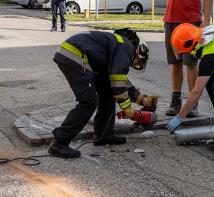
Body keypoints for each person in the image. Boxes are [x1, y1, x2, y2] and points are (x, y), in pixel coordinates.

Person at [48, 29, 158, 158]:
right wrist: (128, 109)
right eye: (137, 62)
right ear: (138, 52)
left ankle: (104, 135)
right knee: (88, 102)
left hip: (75, 55)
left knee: (107, 92)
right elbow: (118, 78)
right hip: (75, 55)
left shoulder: (118, 46)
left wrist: (140, 99)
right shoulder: (127, 47)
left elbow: (117, 81)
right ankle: (59, 142)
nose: (134, 64)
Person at [163, 0, 213, 117]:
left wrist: (206, 21)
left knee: (191, 63)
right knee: (175, 62)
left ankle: (193, 104)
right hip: (171, 19)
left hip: (191, 21)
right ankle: (176, 102)